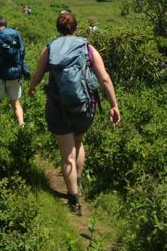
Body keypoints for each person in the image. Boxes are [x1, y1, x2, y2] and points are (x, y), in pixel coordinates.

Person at [27, 11, 121, 215]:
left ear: (58, 28)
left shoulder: (50, 48)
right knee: (78, 142)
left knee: (66, 154)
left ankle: (73, 199)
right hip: (84, 105)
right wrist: (114, 105)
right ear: (75, 27)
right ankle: (76, 183)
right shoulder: (87, 48)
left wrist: (32, 87)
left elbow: (38, 74)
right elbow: (104, 78)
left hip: (57, 105)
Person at [0, 15, 31, 123]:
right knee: (16, 103)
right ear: (6, 25)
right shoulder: (15, 35)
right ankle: (21, 127)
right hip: (15, 74)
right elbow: (22, 54)